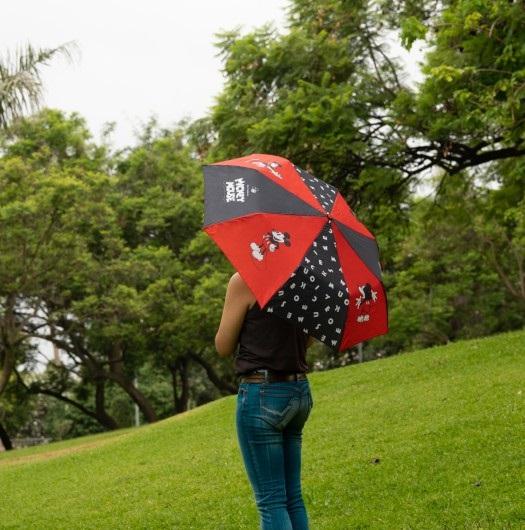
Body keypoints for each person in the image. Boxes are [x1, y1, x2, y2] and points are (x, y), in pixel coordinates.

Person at [215, 271, 315, 530]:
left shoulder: (245, 279)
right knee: (292, 497)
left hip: (263, 394)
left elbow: (223, 346)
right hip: (298, 391)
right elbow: (310, 338)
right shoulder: (307, 279)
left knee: (271, 502)